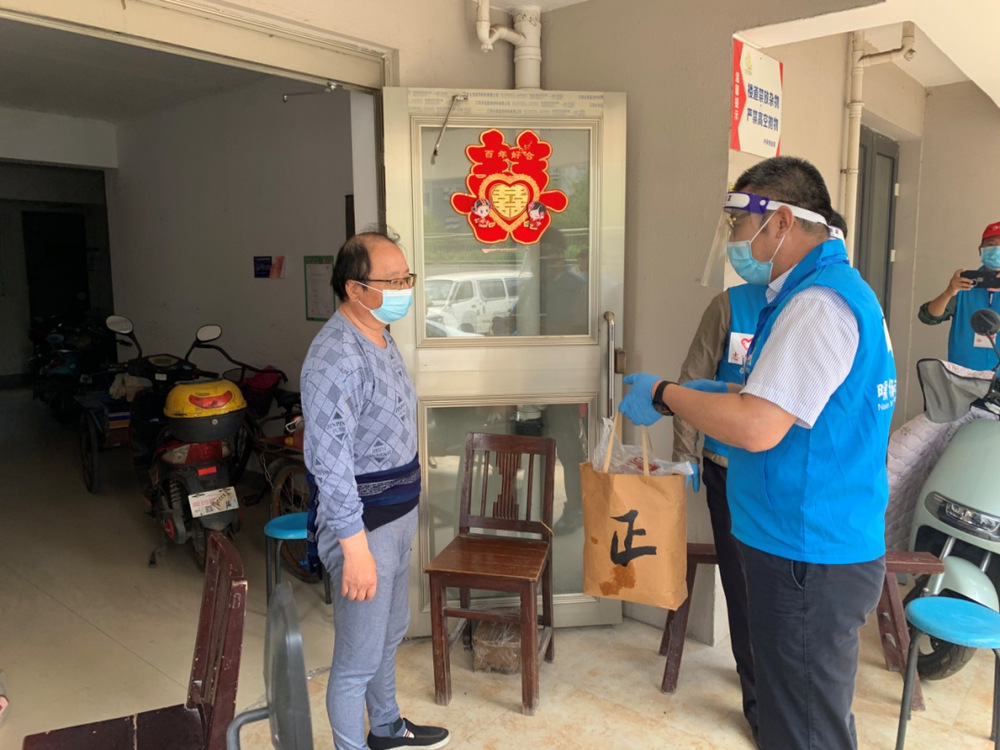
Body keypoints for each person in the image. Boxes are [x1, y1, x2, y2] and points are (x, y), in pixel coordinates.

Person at [621, 156, 896, 750]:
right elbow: (782, 403)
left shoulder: (818, 305)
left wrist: (667, 394)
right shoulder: (824, 294)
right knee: (799, 713)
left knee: (805, 730)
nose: (734, 240)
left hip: (807, 553)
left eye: (739, 224)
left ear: (781, 222)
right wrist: (709, 395)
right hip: (806, 544)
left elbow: (758, 427)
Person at [301, 232, 450, 750]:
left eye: (407, 278)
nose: (405, 289)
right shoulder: (336, 356)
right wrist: (354, 546)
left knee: (389, 635)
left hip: (397, 516)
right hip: (364, 527)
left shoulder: (380, 335)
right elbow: (329, 460)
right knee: (356, 661)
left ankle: (386, 728)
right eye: (394, 281)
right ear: (354, 288)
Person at [918, 220, 1000, 370]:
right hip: (965, 373)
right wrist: (949, 292)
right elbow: (929, 317)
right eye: (991, 244)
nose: (996, 250)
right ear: (980, 250)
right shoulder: (965, 285)